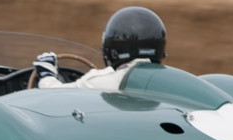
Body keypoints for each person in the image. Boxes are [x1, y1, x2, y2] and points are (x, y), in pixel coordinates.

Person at [35, 6, 166, 90]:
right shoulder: (170, 79)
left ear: (114, 49)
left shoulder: (103, 81)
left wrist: (46, 74)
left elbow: (54, 95)